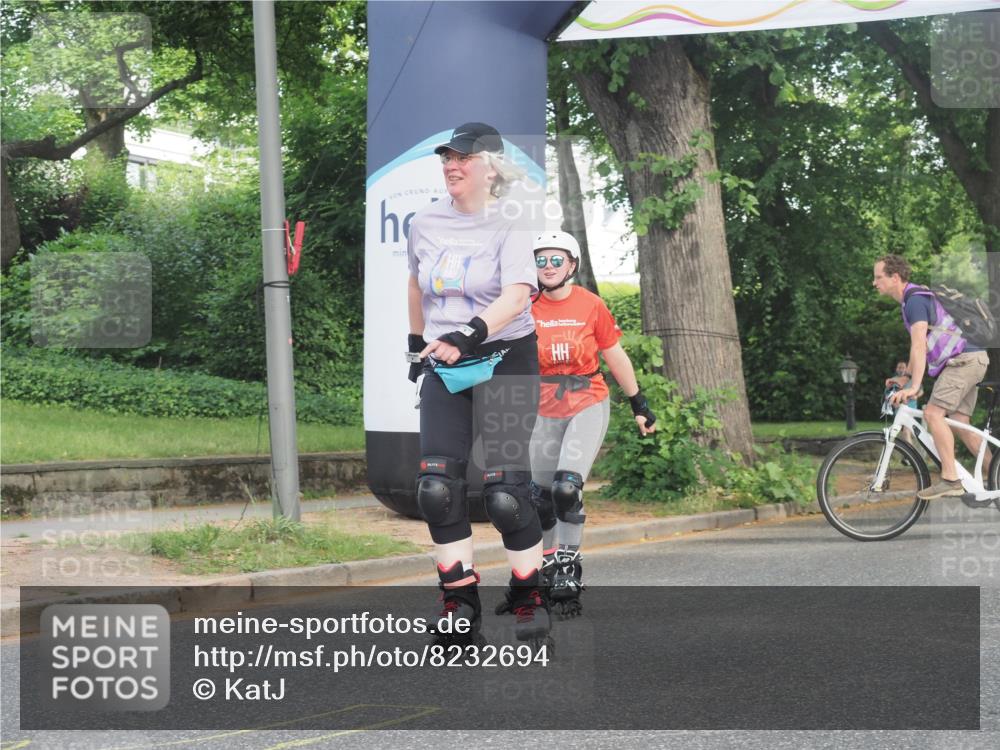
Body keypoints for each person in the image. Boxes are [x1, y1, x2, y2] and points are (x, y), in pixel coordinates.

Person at [406, 122, 549, 643]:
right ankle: (459, 605)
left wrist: (467, 334)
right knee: (436, 489)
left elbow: (516, 296)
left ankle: (529, 598)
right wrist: (415, 343)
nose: (452, 164)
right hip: (445, 363)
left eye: (464, 157)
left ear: (491, 168)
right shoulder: (424, 222)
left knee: (505, 493)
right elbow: (416, 284)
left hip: (505, 358)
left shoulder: (512, 223)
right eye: (447, 156)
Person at [521, 230, 656, 617]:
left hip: (587, 401)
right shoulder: (524, 306)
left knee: (566, 488)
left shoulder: (591, 305)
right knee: (540, 498)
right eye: (541, 261)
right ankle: (548, 564)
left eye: (556, 260)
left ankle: (568, 567)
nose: (548, 267)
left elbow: (615, 355)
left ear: (572, 265)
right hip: (542, 408)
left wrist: (639, 403)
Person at [873, 254, 991, 498]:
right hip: (971, 358)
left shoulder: (915, 301)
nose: (874, 283)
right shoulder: (912, 300)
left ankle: (951, 480)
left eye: (878, 277)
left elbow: (919, 345)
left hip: (964, 361)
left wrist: (914, 386)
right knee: (961, 423)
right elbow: (920, 346)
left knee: (932, 414)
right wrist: (906, 377)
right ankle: (996, 476)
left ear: (895, 277)